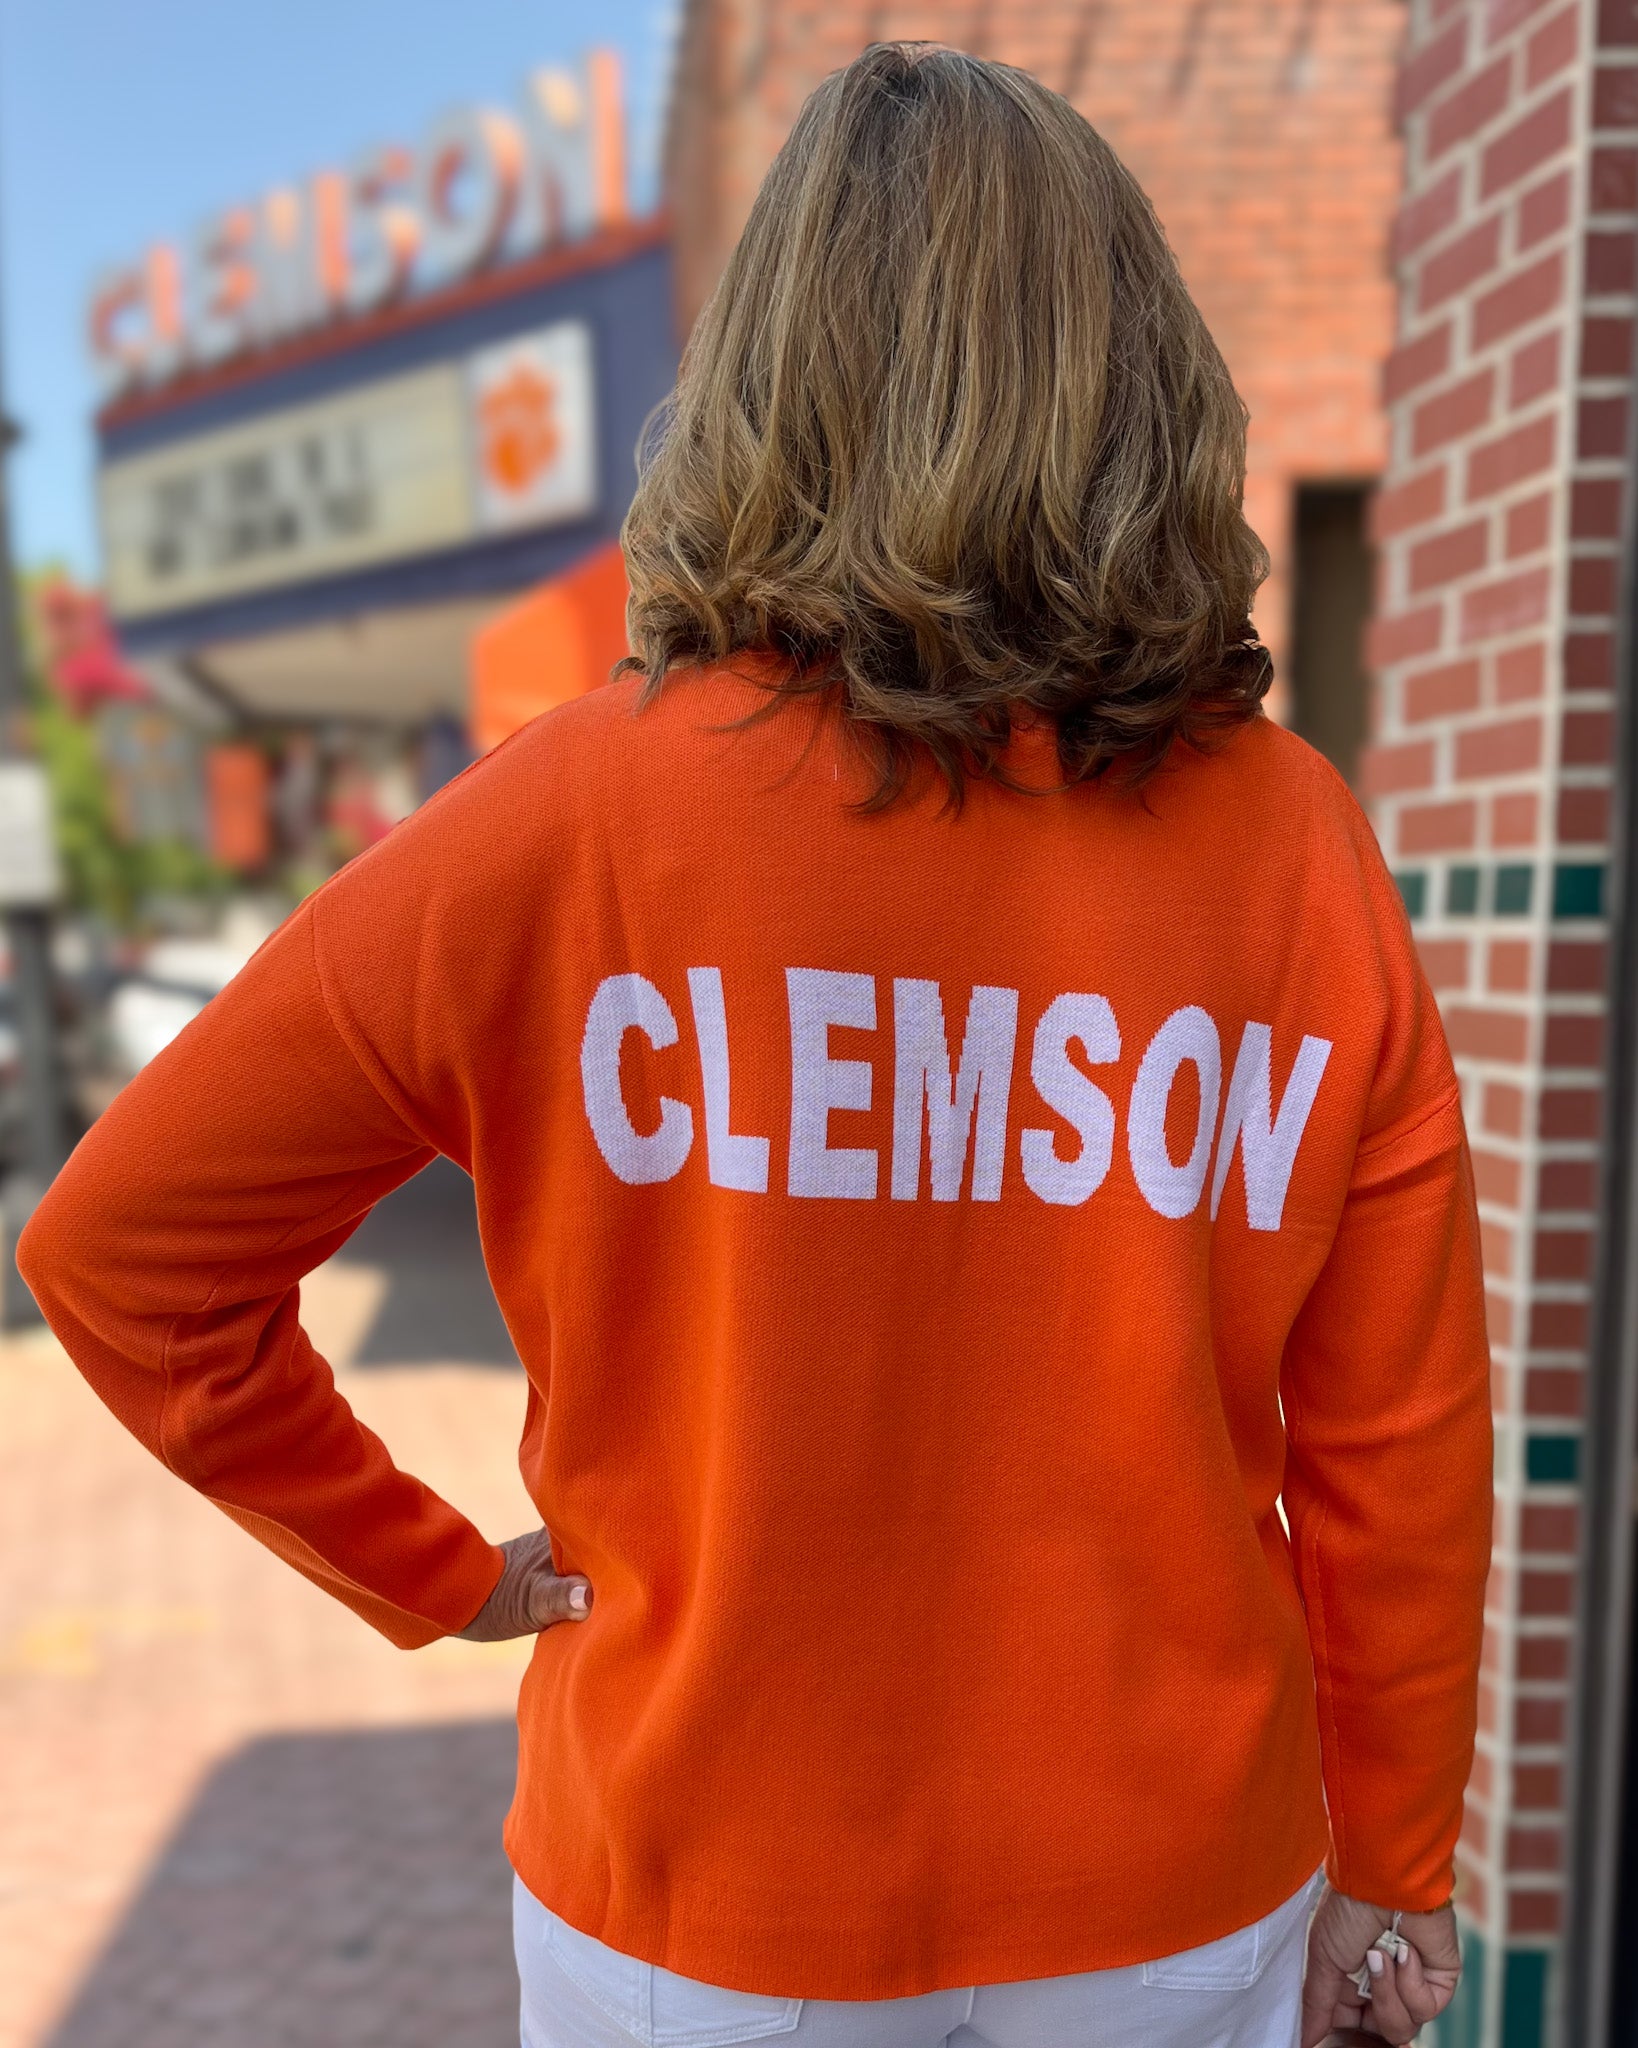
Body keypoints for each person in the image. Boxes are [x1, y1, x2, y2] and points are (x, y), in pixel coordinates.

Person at [21, 42, 1489, 2048]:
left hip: (694, 1892)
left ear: (762, 383)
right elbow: (1398, 1439)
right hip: (1169, 1893)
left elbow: (124, 1256)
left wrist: (425, 1568)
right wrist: (1396, 1859)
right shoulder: (1295, 845)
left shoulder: (573, 816)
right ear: (1141, 383)